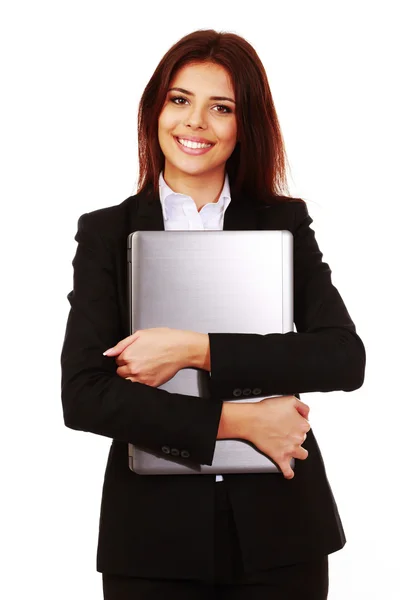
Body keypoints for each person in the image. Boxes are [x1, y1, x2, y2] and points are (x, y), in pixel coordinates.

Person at [60, 29, 366, 599]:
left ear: (243, 125)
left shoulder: (283, 224)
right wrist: (238, 422)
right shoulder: (107, 233)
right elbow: (83, 394)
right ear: (156, 109)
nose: (195, 122)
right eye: (180, 100)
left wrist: (195, 349)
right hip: (152, 541)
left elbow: (343, 358)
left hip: (282, 532)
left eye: (220, 107)